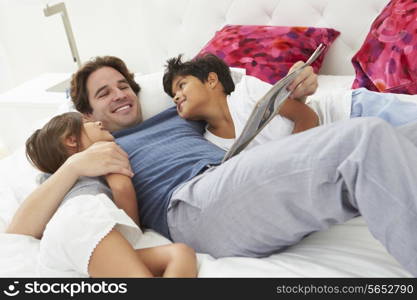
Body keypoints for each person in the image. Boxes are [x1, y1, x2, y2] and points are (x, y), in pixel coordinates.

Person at [7, 56, 417, 277]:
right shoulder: (95, 148)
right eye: (103, 93)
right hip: (192, 206)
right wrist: (77, 165)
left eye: (124, 86)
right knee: (363, 140)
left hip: (228, 188)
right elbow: (20, 230)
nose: (120, 95)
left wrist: (298, 86)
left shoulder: (176, 113)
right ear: (85, 113)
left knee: (387, 141)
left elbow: (232, 94)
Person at [8, 111, 197, 278]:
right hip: (81, 224)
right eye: (86, 122)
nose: (98, 122)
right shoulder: (95, 158)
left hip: (77, 243)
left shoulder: (56, 182)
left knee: (180, 254)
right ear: (71, 140)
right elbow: (123, 194)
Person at [162, 54, 417, 151]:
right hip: (349, 148)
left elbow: (306, 116)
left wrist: (292, 158)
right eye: (173, 95)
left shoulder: (246, 93)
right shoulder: (211, 143)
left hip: (350, 114)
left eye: (181, 85)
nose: (176, 96)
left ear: (211, 80)